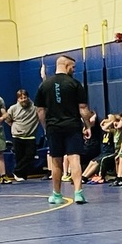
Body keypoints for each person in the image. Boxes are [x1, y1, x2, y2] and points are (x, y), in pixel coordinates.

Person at [35, 55, 92, 204]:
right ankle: (78, 193)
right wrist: (88, 125)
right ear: (66, 65)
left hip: (54, 127)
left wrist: (46, 128)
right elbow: (83, 108)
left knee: (56, 161)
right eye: (72, 67)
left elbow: (40, 111)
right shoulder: (75, 84)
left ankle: (57, 194)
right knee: (74, 159)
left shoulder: (45, 85)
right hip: (72, 126)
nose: (74, 70)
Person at [6, 89, 40, 181]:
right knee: (19, 157)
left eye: (25, 97)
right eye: (21, 98)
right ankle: (21, 176)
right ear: (18, 99)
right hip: (17, 137)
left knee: (30, 155)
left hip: (30, 136)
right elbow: (8, 119)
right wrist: (16, 128)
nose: (23, 100)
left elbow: (41, 113)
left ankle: (16, 171)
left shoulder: (35, 107)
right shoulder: (13, 108)